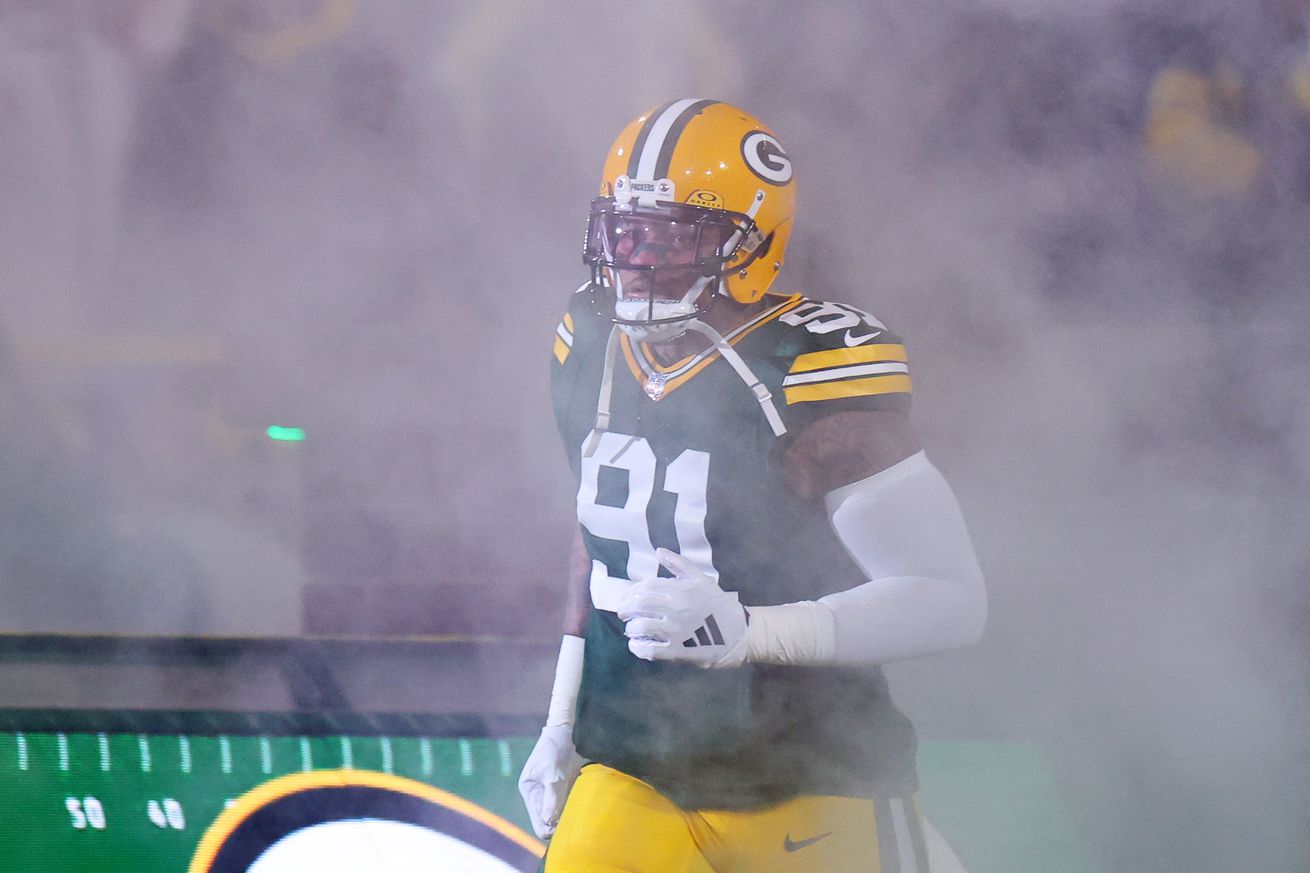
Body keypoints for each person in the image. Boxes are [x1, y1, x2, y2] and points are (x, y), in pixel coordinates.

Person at [519, 98, 987, 873]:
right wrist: (560, 719)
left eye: (671, 237)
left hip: (811, 775)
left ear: (748, 244)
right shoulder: (588, 340)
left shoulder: (808, 371)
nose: (635, 258)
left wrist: (754, 632)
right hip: (636, 766)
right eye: (625, 230)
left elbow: (948, 597)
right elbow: (601, 540)